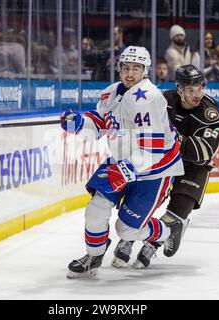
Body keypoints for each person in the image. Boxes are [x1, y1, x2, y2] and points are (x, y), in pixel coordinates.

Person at [60, 46, 185, 278]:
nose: (129, 73)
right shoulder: (112, 92)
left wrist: (127, 169)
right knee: (96, 209)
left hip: (155, 170)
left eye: (135, 69)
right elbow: (101, 121)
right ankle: (94, 255)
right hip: (122, 160)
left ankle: (168, 231)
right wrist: (79, 122)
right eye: (125, 68)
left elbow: (153, 149)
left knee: (126, 229)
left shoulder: (147, 97)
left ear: (145, 71)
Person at [112, 65, 219, 269]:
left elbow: (203, 152)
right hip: (162, 160)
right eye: (190, 90)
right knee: (146, 203)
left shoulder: (212, 114)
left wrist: (171, 138)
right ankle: (128, 238)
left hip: (194, 167)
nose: (196, 94)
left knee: (178, 212)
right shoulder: (161, 100)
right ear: (179, 89)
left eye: (200, 88)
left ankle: (153, 244)